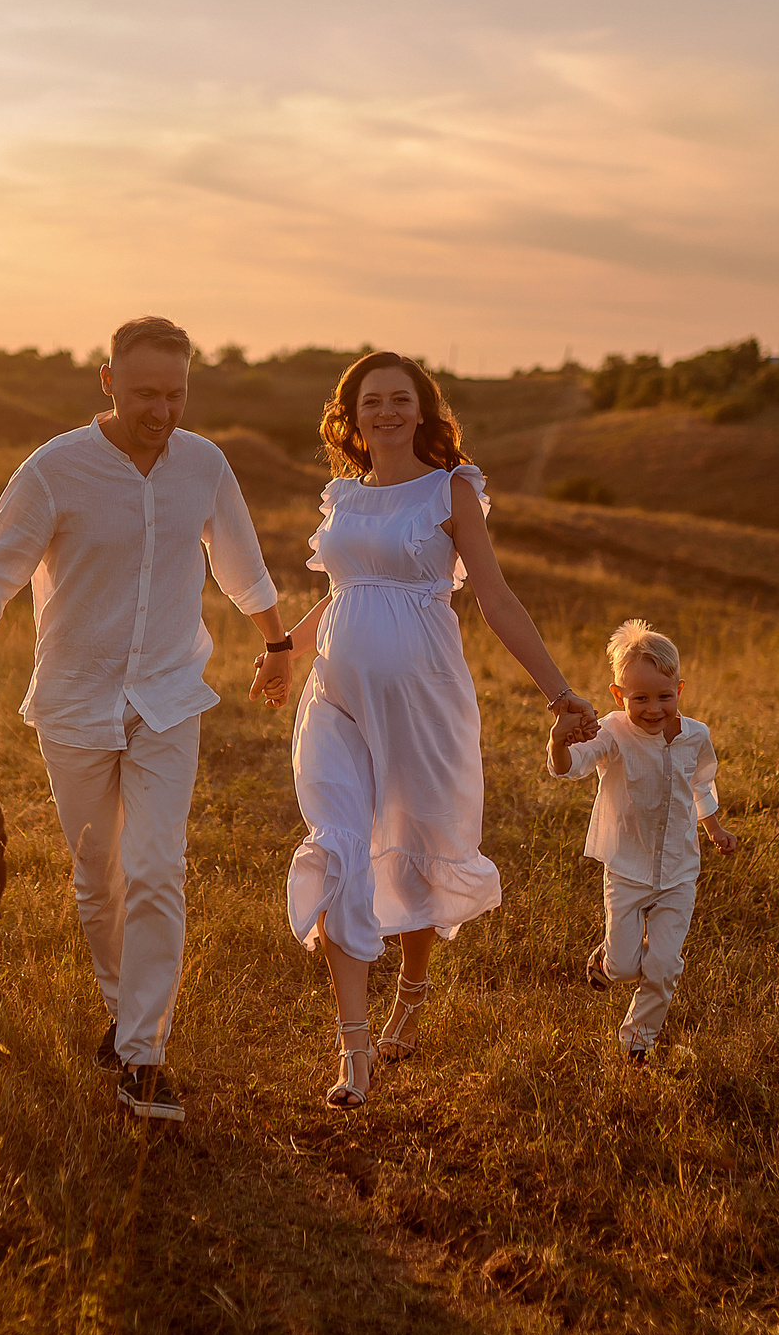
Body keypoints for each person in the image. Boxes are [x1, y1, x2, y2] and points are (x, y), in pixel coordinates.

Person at [0, 317, 293, 1122]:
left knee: (158, 867)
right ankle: (123, 1014)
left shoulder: (204, 465)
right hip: (76, 700)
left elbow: (240, 562)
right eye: (147, 391)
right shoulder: (56, 469)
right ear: (108, 380)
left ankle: (144, 1056)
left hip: (167, 695)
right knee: (99, 877)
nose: (163, 409)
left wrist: (276, 644)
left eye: (177, 393)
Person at [256, 351, 598, 1109]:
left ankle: (411, 989)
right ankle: (354, 1049)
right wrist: (283, 653)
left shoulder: (451, 490)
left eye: (399, 399)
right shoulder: (343, 497)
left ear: (423, 409)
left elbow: (498, 601)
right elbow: (344, 593)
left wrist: (561, 693)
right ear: (350, 416)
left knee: (412, 846)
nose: (386, 411)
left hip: (424, 698)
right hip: (335, 698)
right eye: (370, 400)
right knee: (340, 843)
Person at [547, 620, 738, 1065]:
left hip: (678, 872)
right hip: (628, 868)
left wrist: (714, 830)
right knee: (625, 966)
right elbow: (570, 766)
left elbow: (701, 784)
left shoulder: (696, 736)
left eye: (664, 696)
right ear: (619, 697)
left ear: (680, 689)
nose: (654, 709)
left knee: (665, 966)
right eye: (640, 699)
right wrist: (558, 743)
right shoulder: (612, 733)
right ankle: (605, 961)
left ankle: (638, 1041)